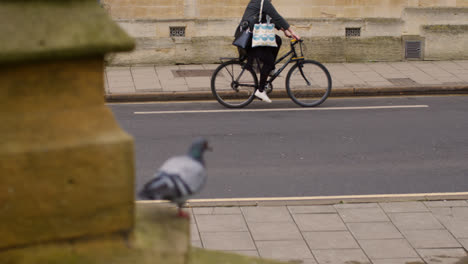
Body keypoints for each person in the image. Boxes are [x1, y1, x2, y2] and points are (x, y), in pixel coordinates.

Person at [235, 0, 300, 103]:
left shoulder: (262, 4)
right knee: (268, 60)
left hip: (253, 36)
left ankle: (269, 69)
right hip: (248, 39)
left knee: (277, 40)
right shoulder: (262, 2)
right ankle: (260, 90)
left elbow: (271, 19)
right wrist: (292, 32)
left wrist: (285, 31)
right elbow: (277, 16)